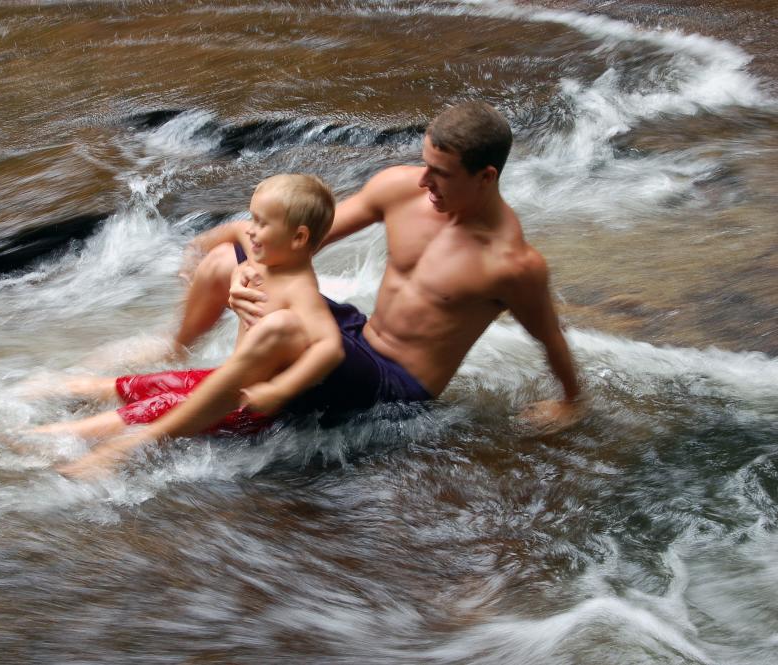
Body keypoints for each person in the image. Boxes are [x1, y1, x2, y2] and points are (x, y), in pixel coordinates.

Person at [57, 100, 585, 478]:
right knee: (224, 258)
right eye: (425, 164)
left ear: (486, 177)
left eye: (440, 174)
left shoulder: (512, 265)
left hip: (394, 388)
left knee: (287, 325)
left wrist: (571, 401)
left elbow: (549, 338)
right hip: (358, 336)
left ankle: (142, 443)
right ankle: (176, 351)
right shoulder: (401, 189)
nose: (423, 182)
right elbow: (295, 241)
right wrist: (243, 272)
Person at [31, 174, 346, 474]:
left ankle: (55, 441)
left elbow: (329, 347)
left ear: (299, 237)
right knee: (141, 385)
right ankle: (51, 406)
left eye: (261, 223)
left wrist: (279, 389)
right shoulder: (271, 260)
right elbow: (237, 229)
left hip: (240, 407)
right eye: (254, 217)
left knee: (153, 408)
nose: (251, 230)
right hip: (222, 379)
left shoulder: (301, 290)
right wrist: (195, 251)